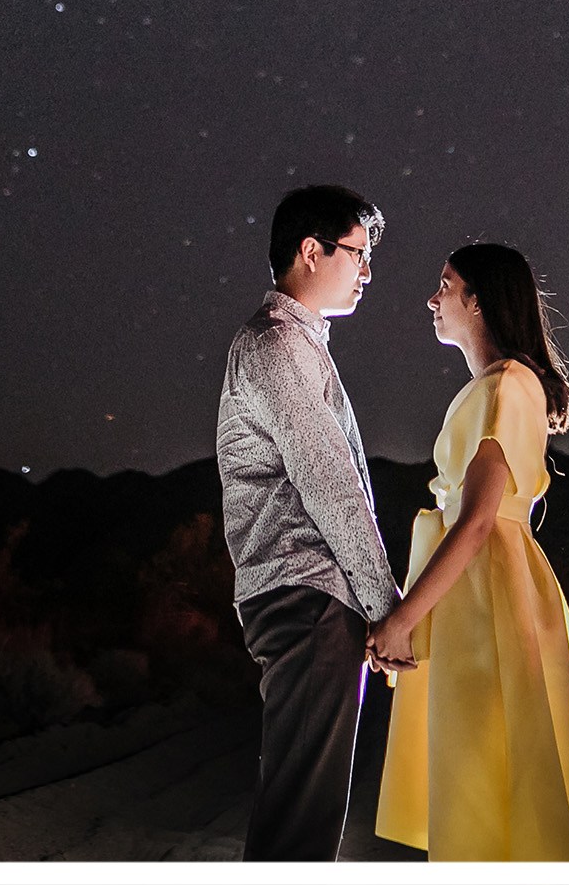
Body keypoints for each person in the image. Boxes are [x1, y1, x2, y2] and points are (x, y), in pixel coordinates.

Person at [369, 241, 569, 861]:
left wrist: (401, 619)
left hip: (486, 606)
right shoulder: (503, 386)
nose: (433, 298)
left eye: (445, 285)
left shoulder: (504, 386)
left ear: (477, 301)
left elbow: (476, 523)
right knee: (494, 784)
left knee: (484, 780)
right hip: (488, 597)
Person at [215, 184, 406, 860]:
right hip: (306, 598)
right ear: (310, 250)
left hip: (309, 600)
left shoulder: (297, 345)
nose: (367, 271)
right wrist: (389, 610)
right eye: (358, 253)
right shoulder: (276, 346)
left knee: (306, 810)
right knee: (302, 818)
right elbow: (332, 487)